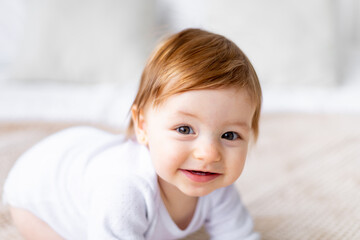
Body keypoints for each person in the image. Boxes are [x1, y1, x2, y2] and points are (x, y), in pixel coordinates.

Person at [3, 28, 262, 240]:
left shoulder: (215, 183)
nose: (208, 153)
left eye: (229, 135)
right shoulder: (126, 192)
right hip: (39, 191)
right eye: (184, 129)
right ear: (143, 127)